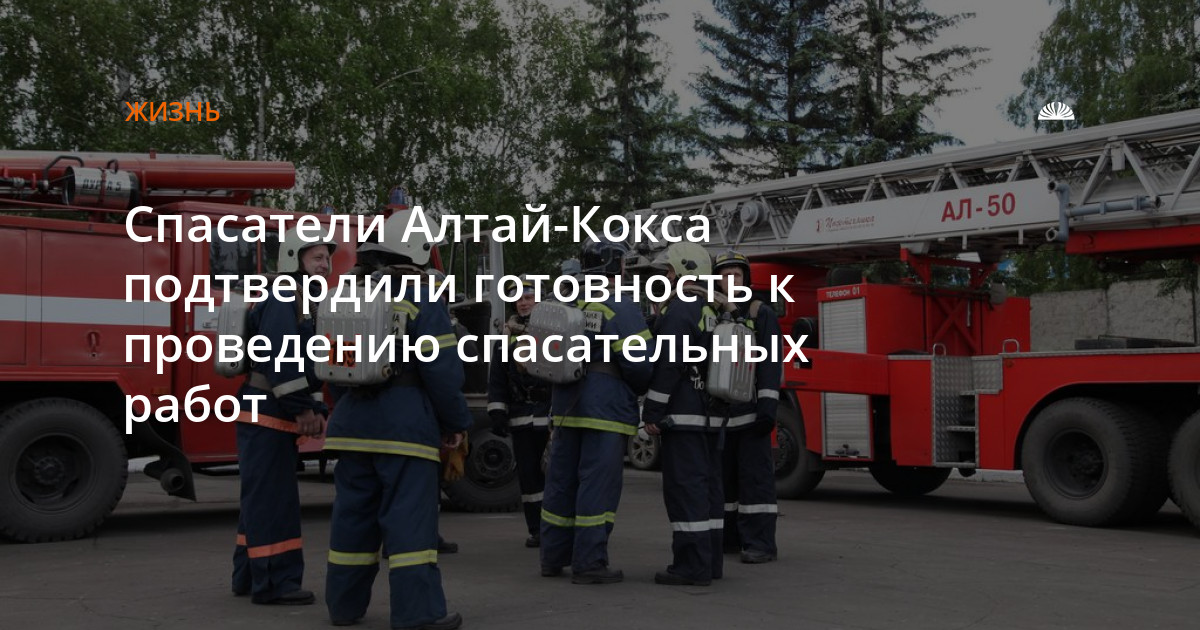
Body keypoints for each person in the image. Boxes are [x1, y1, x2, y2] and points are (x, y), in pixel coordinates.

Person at [323, 208, 471, 630]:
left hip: (352, 428)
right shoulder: (422, 299)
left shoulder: (349, 293)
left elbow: (332, 366)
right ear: (418, 250)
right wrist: (455, 423)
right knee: (410, 525)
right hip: (405, 432)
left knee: (352, 521)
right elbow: (443, 373)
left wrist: (344, 411)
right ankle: (418, 613)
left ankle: (344, 607)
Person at [540, 238, 653, 584]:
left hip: (566, 408)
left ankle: (552, 556)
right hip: (605, 411)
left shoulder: (569, 301)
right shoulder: (620, 306)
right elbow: (639, 364)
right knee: (597, 486)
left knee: (561, 482)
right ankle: (589, 562)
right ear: (615, 266)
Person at [231, 226, 334, 605]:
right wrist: (303, 408)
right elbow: (282, 358)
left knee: (261, 500)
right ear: (294, 258)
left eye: (328, 258)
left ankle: (247, 576)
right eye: (317, 257)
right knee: (274, 503)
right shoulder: (285, 296)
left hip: (269, 414)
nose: (325, 264)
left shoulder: (300, 297)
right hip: (269, 414)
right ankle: (276, 583)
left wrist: (314, 405)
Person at [642, 242, 724, 587]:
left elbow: (669, 364)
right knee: (708, 491)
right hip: (710, 415)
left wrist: (653, 411)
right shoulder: (711, 308)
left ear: (681, 273)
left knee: (685, 490)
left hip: (684, 416)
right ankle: (711, 561)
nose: (665, 277)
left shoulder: (680, 308)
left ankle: (691, 566)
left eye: (669, 271)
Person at [714, 250, 782, 564]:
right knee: (724, 481)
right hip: (721, 415)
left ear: (746, 279)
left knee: (755, 481)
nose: (731, 280)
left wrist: (768, 405)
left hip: (752, 412)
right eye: (726, 275)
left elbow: (771, 360)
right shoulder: (712, 312)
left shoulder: (759, 312)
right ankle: (729, 539)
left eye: (737, 275)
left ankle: (761, 543)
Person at [487, 275, 552, 548]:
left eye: (528, 298)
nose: (523, 303)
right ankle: (537, 530)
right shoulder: (506, 338)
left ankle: (557, 528)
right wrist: (497, 411)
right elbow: (497, 379)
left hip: (548, 417)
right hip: (521, 417)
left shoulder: (553, 331)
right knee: (529, 477)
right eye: (519, 299)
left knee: (554, 474)